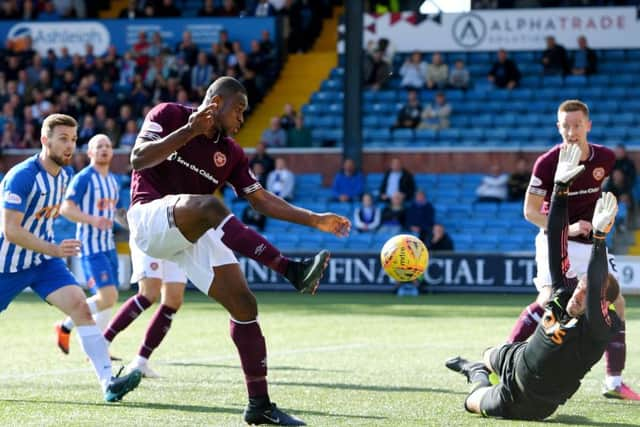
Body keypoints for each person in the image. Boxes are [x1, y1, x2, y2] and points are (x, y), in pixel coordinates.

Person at [128, 76, 351, 425]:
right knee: (210, 207)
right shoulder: (168, 114)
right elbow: (138, 159)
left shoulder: (231, 153)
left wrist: (314, 220)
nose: (242, 119)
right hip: (149, 219)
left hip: (191, 226)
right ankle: (289, 268)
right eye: (239, 111)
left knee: (245, 305)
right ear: (216, 104)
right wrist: (188, 131)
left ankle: (259, 405)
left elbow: (259, 199)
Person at [446, 147, 622, 420]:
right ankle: (484, 364)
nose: (577, 294)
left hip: (525, 399)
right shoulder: (565, 293)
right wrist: (560, 190)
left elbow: (598, 280)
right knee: (490, 353)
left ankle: (477, 375)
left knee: (472, 401)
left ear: (602, 304)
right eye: (579, 287)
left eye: (585, 293)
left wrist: (599, 240)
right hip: (517, 355)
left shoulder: (599, 329)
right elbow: (556, 240)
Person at [0, 114, 141, 402]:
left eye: (74, 139)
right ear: (44, 140)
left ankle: (109, 384)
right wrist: (53, 249)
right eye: (63, 139)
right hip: (7, 264)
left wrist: (51, 251)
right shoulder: (21, 176)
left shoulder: (64, 177)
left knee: (80, 306)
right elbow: (11, 231)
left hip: (42, 263)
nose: (70, 146)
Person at [508, 100, 639, 400]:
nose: (571, 131)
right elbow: (530, 212)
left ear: (588, 126)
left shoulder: (605, 158)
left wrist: (598, 220)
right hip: (557, 238)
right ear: (558, 128)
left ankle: (614, 382)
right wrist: (570, 226)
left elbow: (595, 194)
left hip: (591, 241)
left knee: (616, 301)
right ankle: (503, 356)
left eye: (577, 125)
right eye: (565, 126)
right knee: (548, 301)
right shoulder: (546, 162)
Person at [55, 134, 125, 357]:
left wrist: (130, 225)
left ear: (112, 152)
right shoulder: (84, 178)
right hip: (91, 247)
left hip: (108, 246)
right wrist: (93, 220)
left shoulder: (113, 181)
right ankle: (66, 325)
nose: (104, 149)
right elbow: (66, 208)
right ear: (90, 153)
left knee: (108, 299)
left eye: (107, 146)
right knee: (108, 296)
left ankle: (98, 347)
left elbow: (114, 213)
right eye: (99, 146)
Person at [105, 239, 188, 378]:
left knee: (173, 300)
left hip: (175, 240)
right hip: (150, 235)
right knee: (148, 294)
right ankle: (102, 343)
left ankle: (141, 362)